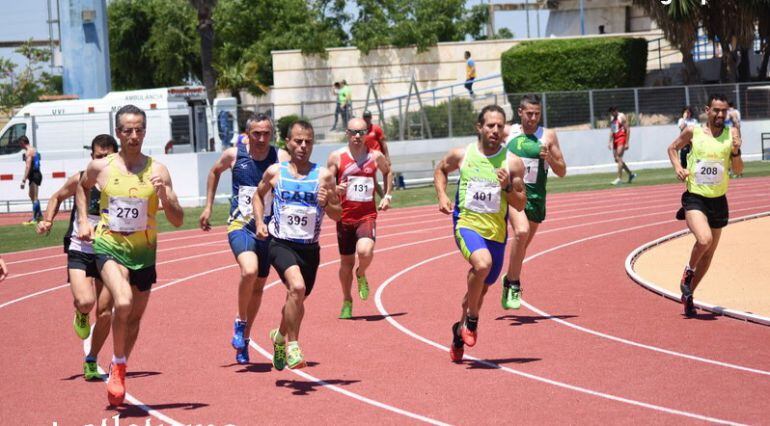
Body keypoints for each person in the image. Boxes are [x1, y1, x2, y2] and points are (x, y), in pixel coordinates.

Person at [77, 105, 184, 406]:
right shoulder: (101, 167)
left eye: (139, 129)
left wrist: (164, 197)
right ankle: (117, 365)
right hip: (108, 246)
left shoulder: (158, 170)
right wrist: (84, 220)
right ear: (118, 132)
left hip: (144, 253)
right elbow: (82, 188)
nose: (134, 135)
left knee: (134, 319)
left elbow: (177, 220)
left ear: (145, 132)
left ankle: (118, 365)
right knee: (121, 301)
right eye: (127, 130)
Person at [434, 105, 526, 362]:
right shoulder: (462, 155)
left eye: (499, 126)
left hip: (496, 234)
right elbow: (441, 170)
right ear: (479, 127)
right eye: (490, 125)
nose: (495, 130)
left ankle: (459, 329)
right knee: (482, 264)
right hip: (466, 224)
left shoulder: (512, 163)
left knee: (479, 290)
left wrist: (507, 187)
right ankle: (473, 320)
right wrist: (441, 195)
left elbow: (520, 204)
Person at [199, 113, 289, 365]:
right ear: (247, 134)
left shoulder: (279, 157)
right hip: (241, 225)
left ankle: (245, 339)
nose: (261, 138)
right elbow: (214, 172)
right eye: (256, 134)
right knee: (249, 271)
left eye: (266, 134)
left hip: (268, 229)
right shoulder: (234, 155)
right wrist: (208, 207)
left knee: (258, 287)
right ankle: (240, 322)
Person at [253, 120, 341, 370]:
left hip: (309, 249)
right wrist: (259, 221)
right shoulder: (275, 172)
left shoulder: (324, 176)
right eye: (298, 141)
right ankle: (293, 346)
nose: (303, 146)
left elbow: (338, 215)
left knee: (297, 300)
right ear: (288, 143)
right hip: (280, 243)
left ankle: (279, 336)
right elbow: (258, 196)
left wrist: (328, 202)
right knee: (297, 287)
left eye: (308, 142)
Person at [36, 135, 118, 380]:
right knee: (85, 301)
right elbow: (56, 197)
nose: (102, 161)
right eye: (98, 156)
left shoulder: (123, 183)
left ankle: (91, 359)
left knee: (105, 312)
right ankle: (81, 313)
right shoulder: (80, 179)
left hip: (109, 251)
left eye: (108, 157)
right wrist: (47, 221)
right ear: (91, 157)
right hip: (80, 249)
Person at [666, 93, 742, 318]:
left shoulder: (731, 134)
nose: (720, 114)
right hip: (695, 197)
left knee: (708, 255)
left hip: (718, 200)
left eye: (724, 111)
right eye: (716, 110)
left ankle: (689, 295)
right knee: (704, 239)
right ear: (708, 110)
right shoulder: (693, 132)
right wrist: (678, 168)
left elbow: (738, 170)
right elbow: (672, 148)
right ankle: (688, 271)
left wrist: (736, 151)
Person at [500, 95, 567, 310]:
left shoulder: (547, 136)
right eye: (529, 113)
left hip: (536, 198)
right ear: (520, 112)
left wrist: (549, 158)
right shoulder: (508, 132)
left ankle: (509, 277)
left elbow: (562, 171)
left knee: (522, 247)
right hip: (513, 193)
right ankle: (514, 285)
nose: (533, 118)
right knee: (521, 232)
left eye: (537, 114)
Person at [327, 117, 393, 319]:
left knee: (365, 251)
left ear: (367, 134)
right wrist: (335, 189)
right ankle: (347, 300)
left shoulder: (375, 156)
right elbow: (326, 183)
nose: (357, 136)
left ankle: (361, 272)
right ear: (347, 133)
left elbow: (388, 171)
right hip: (344, 217)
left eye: (361, 132)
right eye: (353, 132)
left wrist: (387, 195)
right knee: (345, 264)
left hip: (366, 215)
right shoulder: (337, 157)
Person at [362, 109, 391, 198]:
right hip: (367, 157)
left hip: (378, 155)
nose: (367, 119)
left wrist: (387, 157)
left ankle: (387, 195)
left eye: (368, 117)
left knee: (387, 173)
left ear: (371, 118)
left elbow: (383, 143)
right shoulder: (361, 131)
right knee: (371, 179)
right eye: (365, 117)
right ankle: (383, 196)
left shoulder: (376, 128)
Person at [608, 106, 636, 185]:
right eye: (611, 113)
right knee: (616, 159)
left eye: (613, 112)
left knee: (619, 157)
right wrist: (609, 142)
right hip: (615, 139)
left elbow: (628, 129)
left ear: (616, 111)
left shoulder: (621, 116)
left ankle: (619, 178)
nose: (612, 114)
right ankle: (630, 174)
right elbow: (612, 130)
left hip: (621, 138)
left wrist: (627, 143)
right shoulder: (612, 118)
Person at [19, 136, 43, 225]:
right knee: (31, 195)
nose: (19, 145)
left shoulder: (28, 152)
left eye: (20, 143)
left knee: (35, 197)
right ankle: (39, 215)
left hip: (34, 175)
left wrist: (23, 180)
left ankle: (35, 218)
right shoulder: (33, 149)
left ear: (22, 142)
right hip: (35, 175)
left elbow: (28, 166)